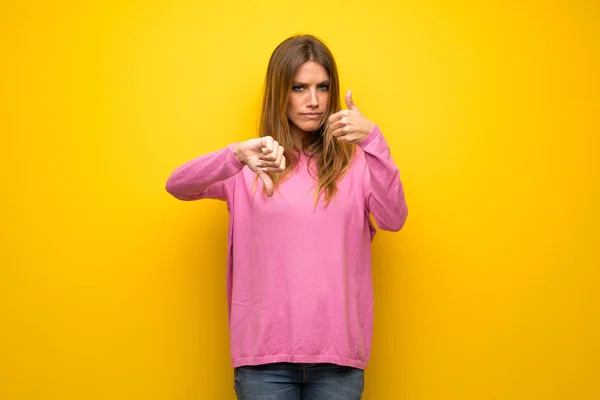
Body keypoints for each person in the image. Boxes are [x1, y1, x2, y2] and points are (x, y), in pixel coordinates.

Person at [165, 34, 408, 400]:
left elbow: (394, 217)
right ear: (281, 93)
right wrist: (233, 155)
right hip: (263, 361)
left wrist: (373, 140)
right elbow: (177, 185)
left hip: (338, 361)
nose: (313, 101)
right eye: (299, 88)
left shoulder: (355, 165)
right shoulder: (251, 163)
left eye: (322, 87)